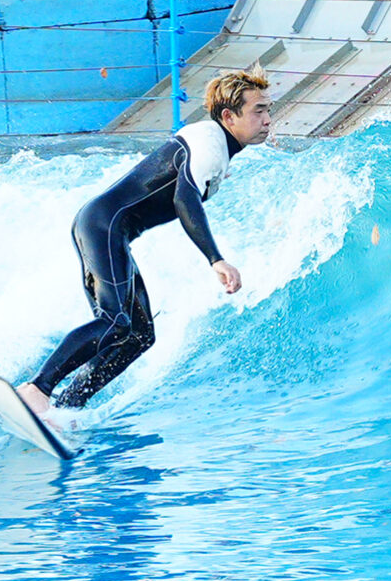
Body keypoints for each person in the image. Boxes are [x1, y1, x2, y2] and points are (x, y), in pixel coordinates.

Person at [18, 67, 272, 418]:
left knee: (138, 335)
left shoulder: (213, 143)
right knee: (116, 322)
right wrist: (216, 259)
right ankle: (36, 389)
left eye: (268, 110)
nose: (268, 119)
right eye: (258, 111)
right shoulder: (211, 145)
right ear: (229, 116)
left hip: (109, 230)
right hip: (104, 225)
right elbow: (185, 200)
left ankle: (66, 407)